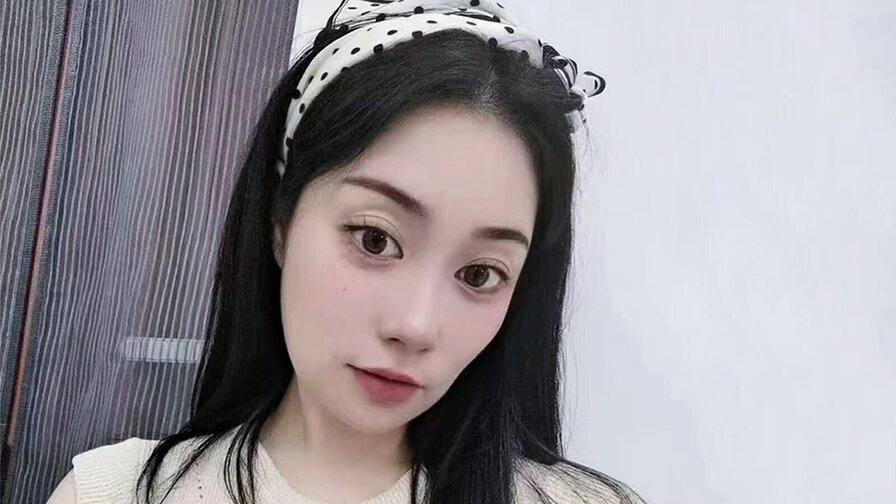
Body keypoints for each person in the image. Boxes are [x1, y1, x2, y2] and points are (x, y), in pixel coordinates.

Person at [48, 0, 644, 502]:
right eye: (375, 239)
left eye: (480, 274)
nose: (415, 326)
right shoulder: (112, 493)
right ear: (281, 223)